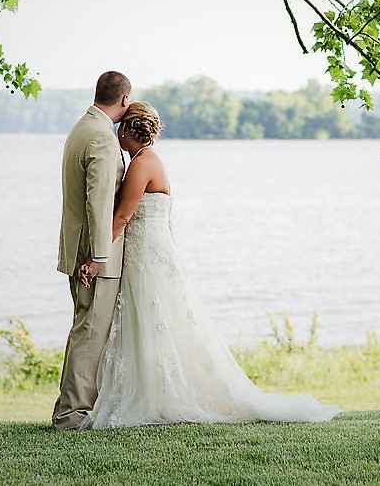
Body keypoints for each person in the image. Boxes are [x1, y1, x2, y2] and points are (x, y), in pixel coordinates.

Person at [78, 101, 339, 429]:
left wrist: (95, 259)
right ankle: (155, 391)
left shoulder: (142, 165)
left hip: (147, 258)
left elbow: (122, 216)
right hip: (147, 253)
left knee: (154, 319)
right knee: (151, 324)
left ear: (130, 129)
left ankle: (163, 396)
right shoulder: (148, 161)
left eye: (121, 127)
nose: (117, 133)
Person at [51, 71, 132, 431]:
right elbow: (98, 203)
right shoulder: (102, 137)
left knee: (84, 327)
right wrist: (99, 256)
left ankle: (71, 406)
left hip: (77, 245)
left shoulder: (82, 127)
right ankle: (72, 415)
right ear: (124, 100)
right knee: (90, 332)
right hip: (93, 254)